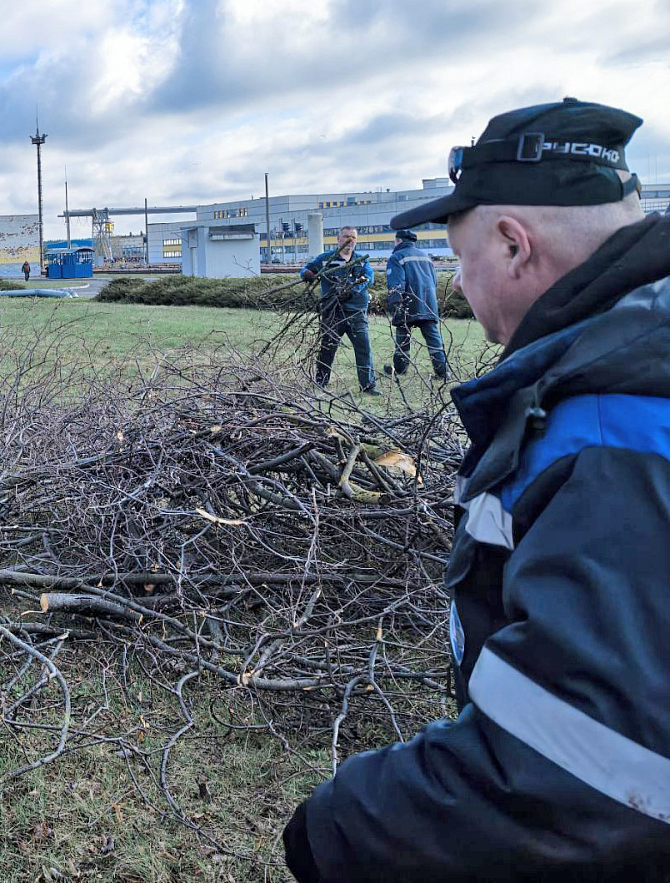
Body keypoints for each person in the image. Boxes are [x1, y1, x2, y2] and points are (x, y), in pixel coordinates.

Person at [283, 98, 670, 883]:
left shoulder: (612, 428)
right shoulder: (620, 362)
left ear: (515, 245)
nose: (456, 282)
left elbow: (588, 770)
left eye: (461, 258)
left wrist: (339, 827)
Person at [301, 226, 378, 393]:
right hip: (332, 312)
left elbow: (369, 278)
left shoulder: (361, 260)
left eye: (353, 237)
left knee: (364, 349)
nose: (349, 240)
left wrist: (352, 291)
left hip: (356, 313)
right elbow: (306, 269)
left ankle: (368, 385)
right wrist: (306, 274)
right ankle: (321, 382)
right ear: (338, 239)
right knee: (327, 348)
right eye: (346, 236)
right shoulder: (326, 259)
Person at [384, 229, 447, 381]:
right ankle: (443, 372)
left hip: (407, 304)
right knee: (434, 340)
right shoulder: (426, 257)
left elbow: (396, 284)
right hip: (428, 304)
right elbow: (434, 282)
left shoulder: (396, 257)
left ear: (398, 240)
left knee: (403, 338)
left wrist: (395, 305)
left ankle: (400, 369)